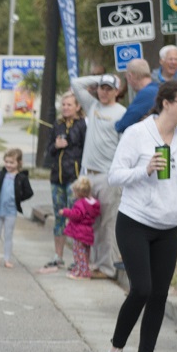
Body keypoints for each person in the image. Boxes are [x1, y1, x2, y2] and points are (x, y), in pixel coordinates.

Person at [103, 80, 177, 352]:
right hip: (135, 221)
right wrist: (144, 169)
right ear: (166, 103)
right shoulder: (137, 133)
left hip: (167, 227)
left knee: (159, 294)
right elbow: (115, 175)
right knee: (141, 289)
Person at [72, 73, 126, 277]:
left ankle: (108, 266)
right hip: (87, 175)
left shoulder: (121, 113)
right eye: (101, 88)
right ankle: (94, 262)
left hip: (107, 175)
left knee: (107, 222)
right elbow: (76, 84)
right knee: (89, 221)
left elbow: (124, 146)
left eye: (109, 88)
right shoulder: (92, 106)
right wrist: (98, 79)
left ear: (116, 91)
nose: (104, 92)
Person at [37, 91, 85, 272]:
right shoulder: (56, 125)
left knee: (75, 218)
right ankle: (58, 256)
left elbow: (84, 148)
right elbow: (48, 150)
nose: (65, 108)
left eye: (69, 105)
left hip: (74, 178)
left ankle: (78, 258)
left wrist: (69, 141)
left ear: (77, 107)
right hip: (57, 177)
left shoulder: (82, 126)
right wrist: (55, 146)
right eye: (63, 105)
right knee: (59, 216)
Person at [61, 177, 101, 280]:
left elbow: (76, 215)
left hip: (79, 232)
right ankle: (82, 269)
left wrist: (65, 212)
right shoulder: (92, 204)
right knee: (86, 253)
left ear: (78, 193)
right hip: (88, 231)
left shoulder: (80, 203)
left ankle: (82, 272)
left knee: (78, 252)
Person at [113, 58, 158, 132]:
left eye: (126, 78)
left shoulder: (146, 94)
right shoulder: (158, 88)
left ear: (130, 76)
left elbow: (123, 125)